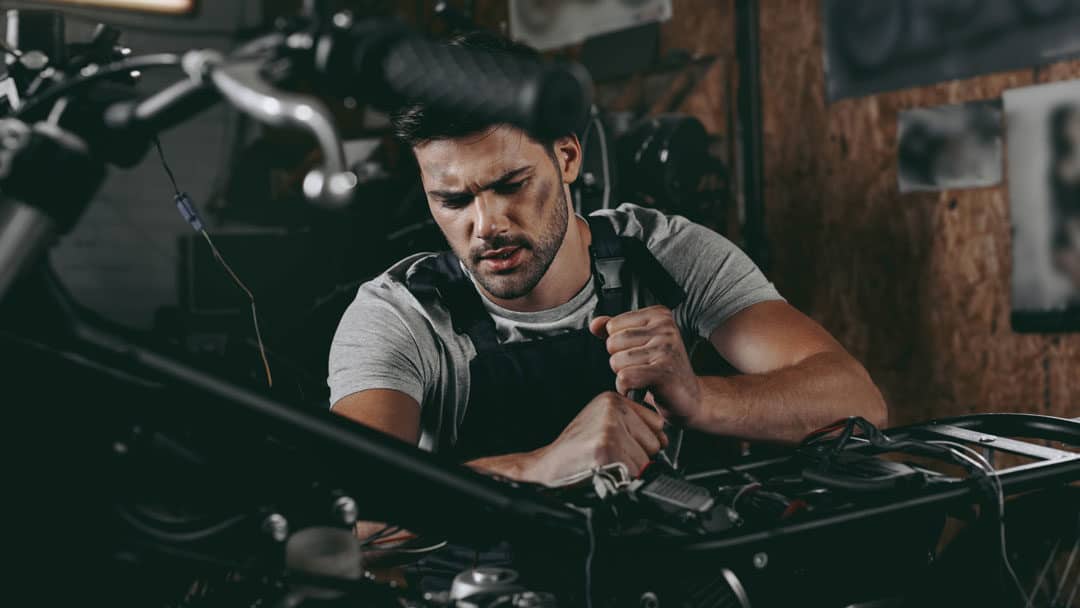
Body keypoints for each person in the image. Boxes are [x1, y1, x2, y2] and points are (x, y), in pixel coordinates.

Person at [328, 32, 886, 487]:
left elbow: (856, 400)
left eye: (512, 184)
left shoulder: (666, 254)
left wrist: (699, 398)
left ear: (566, 157)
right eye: (453, 200)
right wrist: (539, 467)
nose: (486, 225)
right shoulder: (400, 317)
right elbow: (362, 512)